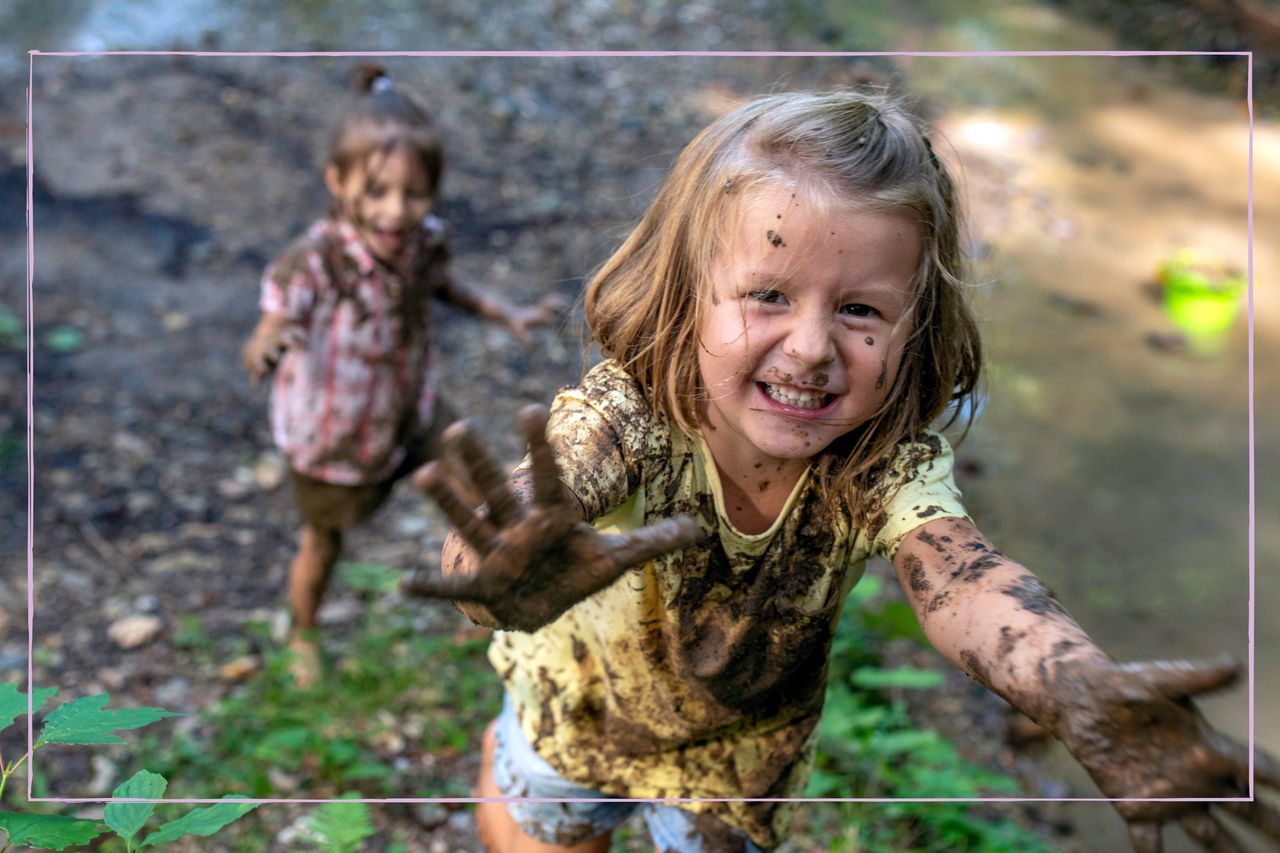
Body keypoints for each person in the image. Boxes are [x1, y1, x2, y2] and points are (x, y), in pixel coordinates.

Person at [402, 90, 1280, 852]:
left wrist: (1070, 683)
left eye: (861, 309)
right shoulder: (631, 410)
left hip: (736, 749)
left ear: (917, 326)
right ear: (685, 293)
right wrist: (496, 577)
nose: (814, 348)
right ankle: (501, 766)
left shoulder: (877, 461)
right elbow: (514, 523)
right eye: (769, 294)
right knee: (551, 834)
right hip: (577, 704)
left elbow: (965, 580)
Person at [243, 65, 560, 688]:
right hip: (333, 435)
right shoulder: (316, 260)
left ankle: (487, 591)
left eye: (414, 194)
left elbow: (441, 284)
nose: (396, 211)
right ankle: (304, 631)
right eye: (378, 192)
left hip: (412, 406)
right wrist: (266, 344)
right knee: (324, 540)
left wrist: (506, 312)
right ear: (337, 182)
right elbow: (272, 318)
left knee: (481, 486)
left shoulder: (422, 240)